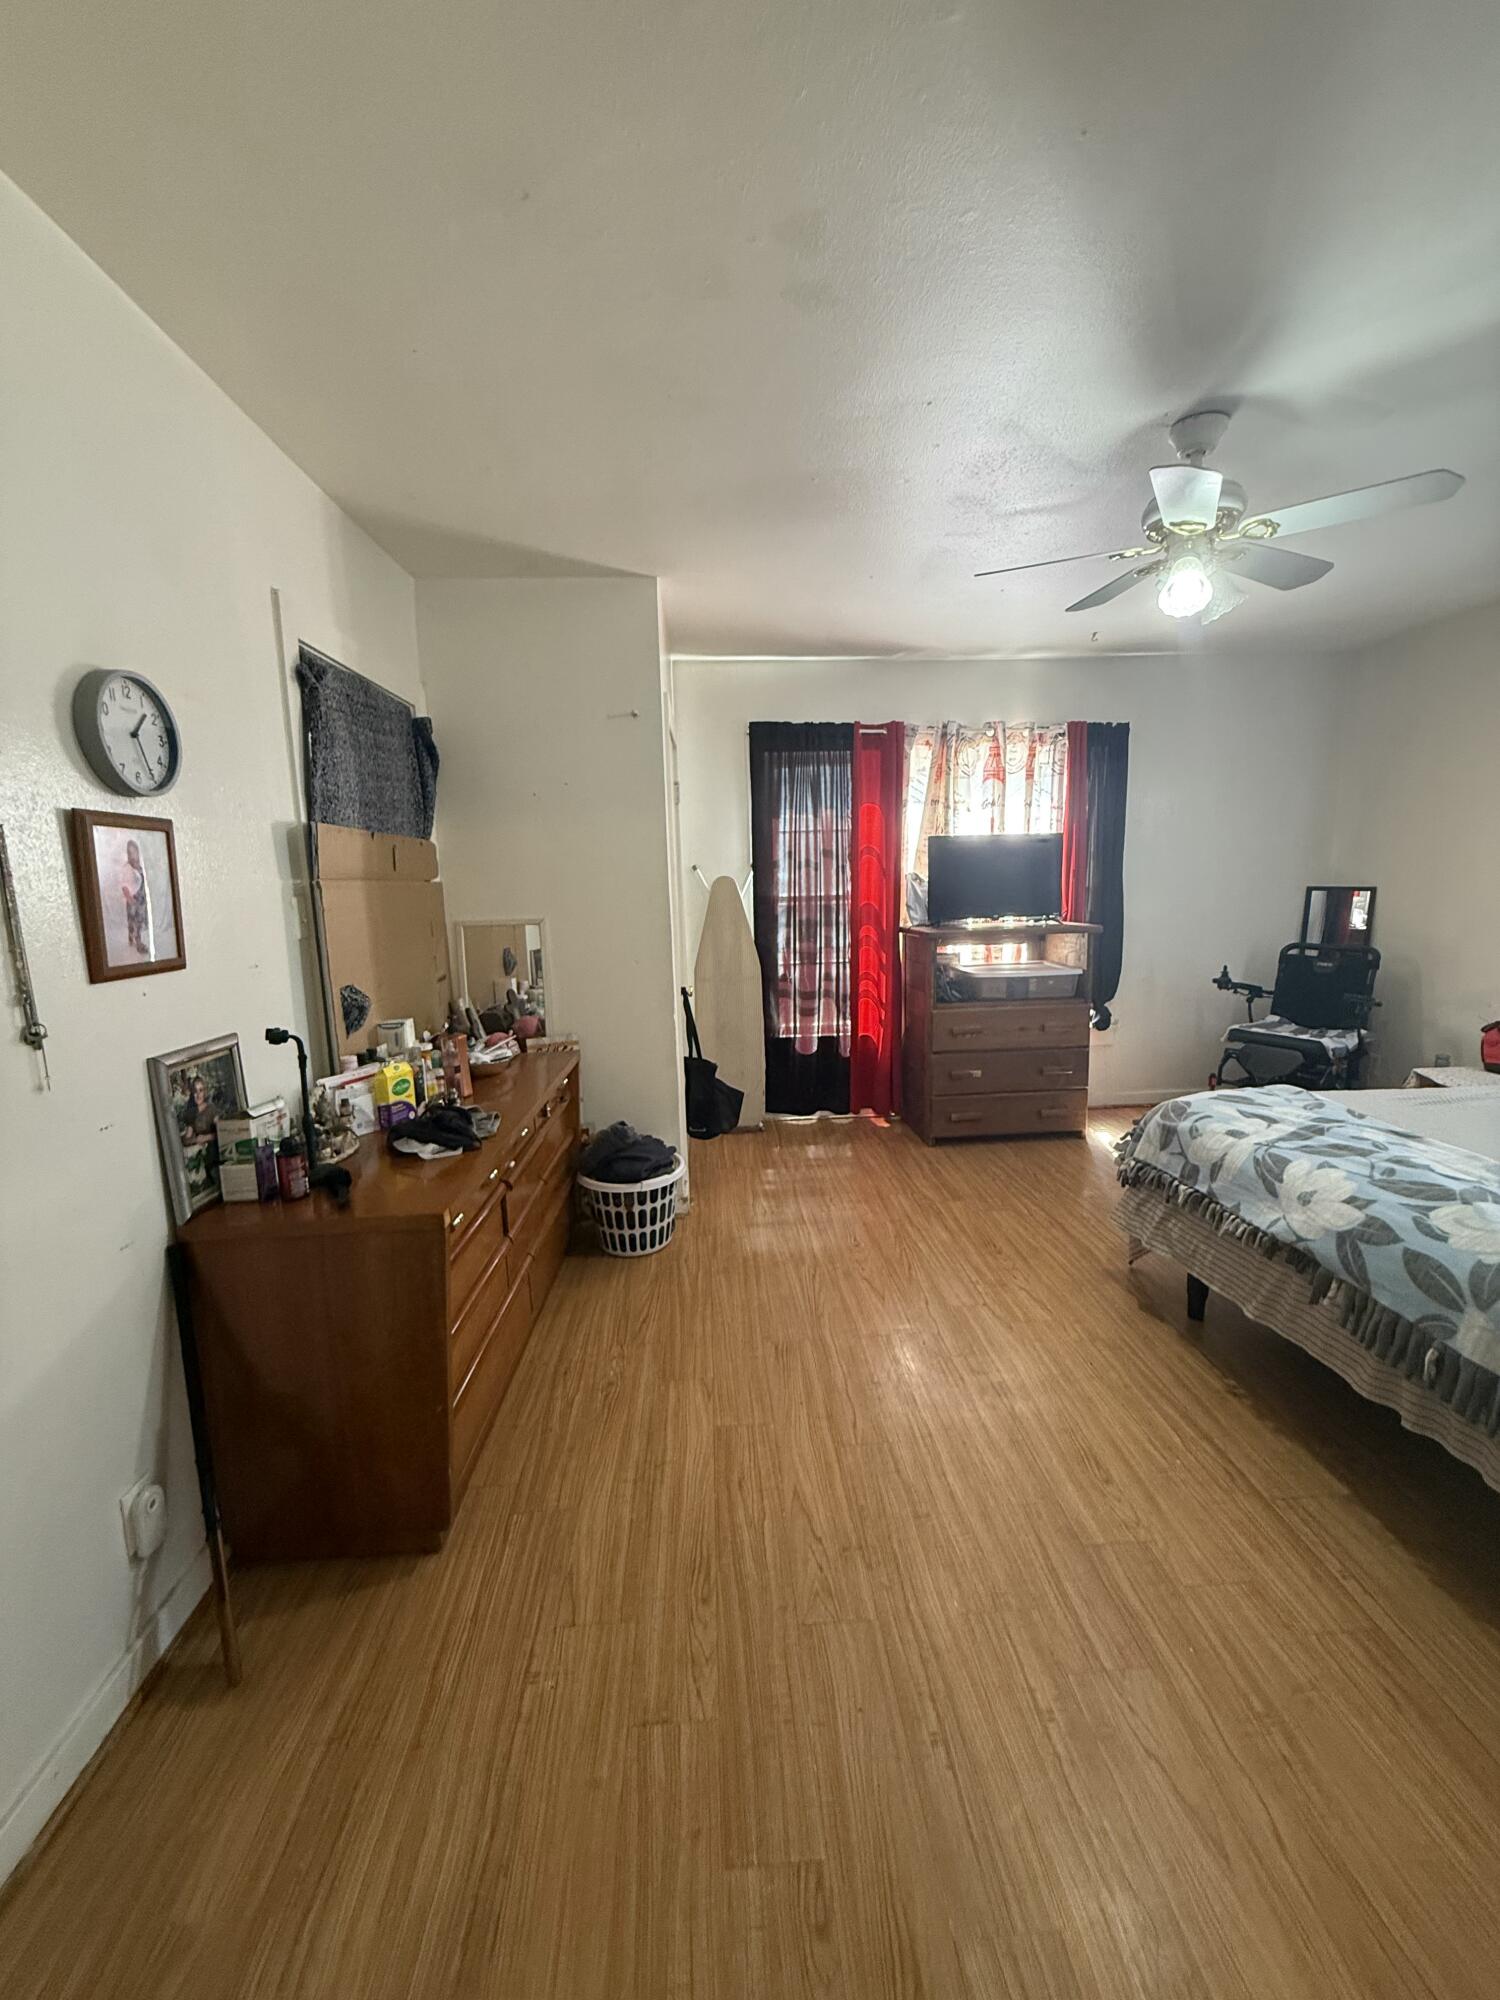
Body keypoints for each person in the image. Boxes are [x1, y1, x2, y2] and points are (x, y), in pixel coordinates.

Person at [120, 837, 151, 956]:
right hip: (133, 897)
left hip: (142, 897)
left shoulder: (141, 866)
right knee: (133, 920)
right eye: (130, 852)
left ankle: (137, 939)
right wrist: (129, 898)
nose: (133, 855)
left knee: (140, 919)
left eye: (135, 852)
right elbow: (124, 885)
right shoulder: (127, 868)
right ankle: (135, 941)